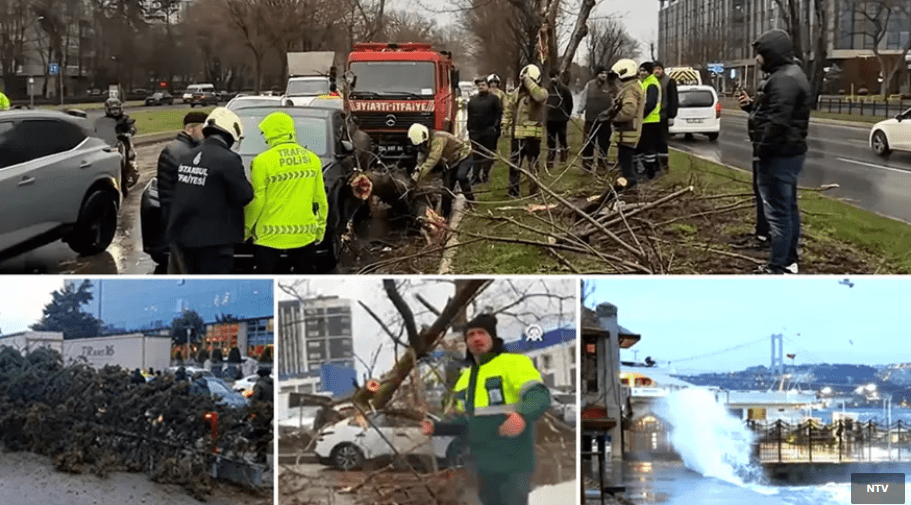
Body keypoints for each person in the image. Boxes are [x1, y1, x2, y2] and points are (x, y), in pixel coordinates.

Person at [421, 313, 551, 505]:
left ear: (493, 337)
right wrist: (436, 427)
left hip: (513, 463)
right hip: (482, 465)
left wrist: (522, 415)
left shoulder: (514, 363)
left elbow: (539, 394)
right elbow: (467, 421)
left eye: (481, 333)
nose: (476, 339)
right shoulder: (465, 378)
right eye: (470, 335)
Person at [747, 29, 811, 274]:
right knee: (788, 209)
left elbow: (777, 122)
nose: (758, 59)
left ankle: (779, 266)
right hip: (788, 153)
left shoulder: (783, 79)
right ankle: (789, 261)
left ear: (771, 54)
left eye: (761, 54)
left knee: (778, 214)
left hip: (778, 156)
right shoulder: (789, 74)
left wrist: (761, 151)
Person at [167, 107, 254, 274]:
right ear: (230, 133)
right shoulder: (228, 159)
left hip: (184, 237)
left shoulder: (188, 157)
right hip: (215, 242)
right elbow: (244, 196)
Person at [244, 111, 328, 274]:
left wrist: (247, 229)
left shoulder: (262, 161)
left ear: (272, 132)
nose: (265, 138)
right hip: (304, 234)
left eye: (265, 133)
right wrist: (320, 229)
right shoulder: (312, 159)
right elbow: (320, 200)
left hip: (269, 236)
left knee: (266, 282)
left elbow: (258, 200)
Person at [158, 111, 207, 274]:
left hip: (177, 222)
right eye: (203, 129)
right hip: (181, 223)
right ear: (191, 128)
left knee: (178, 266)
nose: (205, 134)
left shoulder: (180, 148)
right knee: (184, 268)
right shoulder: (182, 152)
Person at [408, 123, 474, 220]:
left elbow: (432, 160)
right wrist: (415, 175)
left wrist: (419, 175)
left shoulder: (438, 139)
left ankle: (471, 202)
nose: (421, 146)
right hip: (451, 162)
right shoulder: (424, 143)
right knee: (446, 189)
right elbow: (421, 161)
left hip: (463, 157)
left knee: (461, 176)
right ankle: (444, 216)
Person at [501, 64, 548, 198]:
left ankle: (533, 193)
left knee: (533, 166)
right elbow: (509, 109)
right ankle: (513, 192)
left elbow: (538, 96)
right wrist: (504, 125)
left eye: (527, 80)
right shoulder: (517, 93)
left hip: (533, 138)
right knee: (514, 166)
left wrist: (528, 82)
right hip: (517, 137)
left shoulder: (542, 92)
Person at [736, 75, 771, 253]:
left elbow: (773, 118)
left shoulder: (779, 83)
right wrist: (750, 106)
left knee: (766, 194)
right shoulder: (769, 81)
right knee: (759, 192)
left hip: (767, 149)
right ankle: (762, 231)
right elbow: (762, 113)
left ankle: (766, 235)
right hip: (760, 147)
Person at [608, 59, 646, 188]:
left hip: (627, 133)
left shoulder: (630, 89)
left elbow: (629, 111)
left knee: (627, 168)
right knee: (626, 165)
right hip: (629, 133)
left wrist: (614, 118)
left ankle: (631, 191)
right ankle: (630, 190)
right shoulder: (634, 85)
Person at [577, 66, 616, 172]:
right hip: (590, 119)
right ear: (597, 74)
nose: (604, 75)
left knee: (604, 144)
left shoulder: (610, 85)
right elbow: (583, 98)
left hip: (605, 120)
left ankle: (602, 166)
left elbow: (615, 100)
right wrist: (579, 111)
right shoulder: (589, 85)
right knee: (588, 143)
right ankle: (586, 166)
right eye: (601, 73)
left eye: (605, 73)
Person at [466, 77, 502, 184]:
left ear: (488, 86)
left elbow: (498, 113)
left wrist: (496, 127)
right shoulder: (472, 100)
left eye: (483, 85)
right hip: (475, 132)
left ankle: (485, 174)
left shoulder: (494, 99)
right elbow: (470, 115)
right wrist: (470, 129)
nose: (481, 87)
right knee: (476, 154)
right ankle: (475, 175)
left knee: (487, 154)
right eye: (479, 85)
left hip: (488, 131)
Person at [104, 97, 139, 186]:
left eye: (116, 109)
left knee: (126, 155)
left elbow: (131, 125)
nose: (115, 112)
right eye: (112, 110)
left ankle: (128, 172)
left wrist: (130, 131)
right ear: (107, 110)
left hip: (123, 143)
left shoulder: (125, 119)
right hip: (109, 143)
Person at [636, 62, 663, 180]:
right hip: (646, 121)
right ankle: (643, 170)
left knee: (648, 148)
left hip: (650, 121)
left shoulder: (651, 83)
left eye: (644, 71)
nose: (642, 73)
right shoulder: (645, 83)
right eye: (640, 70)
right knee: (642, 147)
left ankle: (650, 172)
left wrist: (640, 115)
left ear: (649, 71)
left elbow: (651, 104)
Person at [653, 61, 679, 174]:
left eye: (659, 68)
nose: (657, 71)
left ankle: (664, 165)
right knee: (653, 142)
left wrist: (671, 115)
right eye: (655, 69)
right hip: (652, 116)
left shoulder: (669, 81)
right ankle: (655, 165)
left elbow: (673, 99)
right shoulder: (652, 81)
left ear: (662, 70)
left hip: (663, 115)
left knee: (662, 141)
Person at [545, 70, 574, 168]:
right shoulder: (547, 89)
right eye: (551, 77)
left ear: (559, 76)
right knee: (550, 140)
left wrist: (567, 116)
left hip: (561, 119)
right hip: (550, 119)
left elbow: (569, 103)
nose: (554, 79)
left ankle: (563, 158)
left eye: (555, 76)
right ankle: (550, 160)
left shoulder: (564, 89)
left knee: (562, 139)